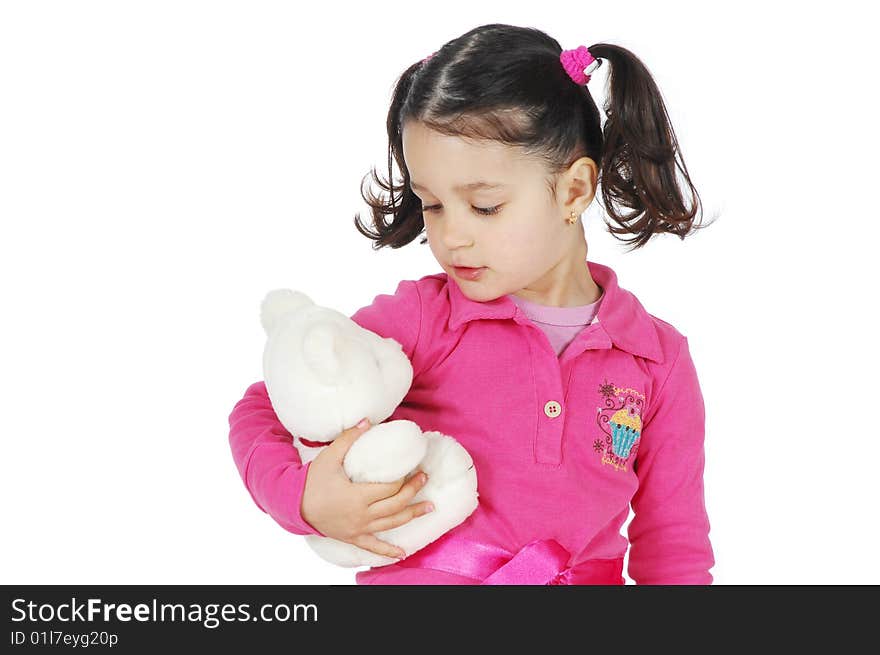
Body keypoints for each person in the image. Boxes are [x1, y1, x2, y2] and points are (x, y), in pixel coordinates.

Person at [228, 23, 717, 585]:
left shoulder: (656, 358)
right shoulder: (423, 318)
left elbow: (673, 546)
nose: (451, 236)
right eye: (432, 205)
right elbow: (262, 408)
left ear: (574, 191)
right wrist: (303, 498)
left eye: (484, 206)